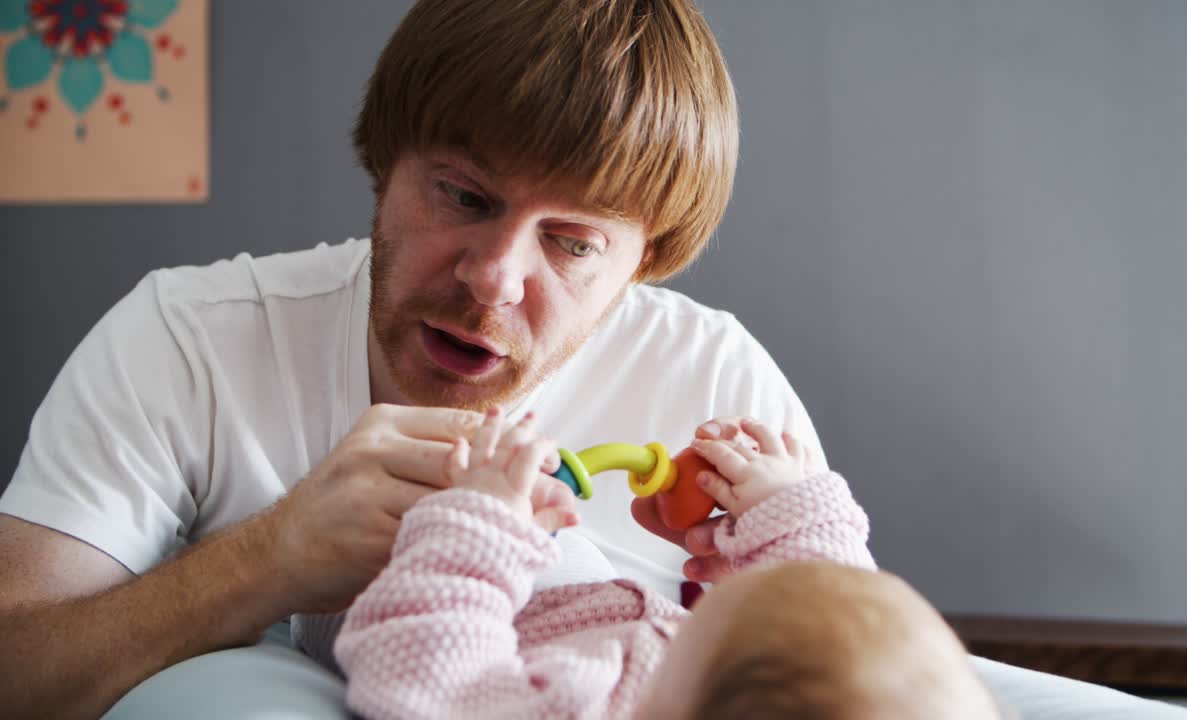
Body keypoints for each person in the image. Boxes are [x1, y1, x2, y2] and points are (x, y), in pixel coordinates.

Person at [0, 1, 829, 717]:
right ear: (385, 161)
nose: (493, 278)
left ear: (643, 262)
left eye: (572, 243)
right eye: (463, 197)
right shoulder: (189, 338)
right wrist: (269, 559)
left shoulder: (715, 382)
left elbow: (862, 669)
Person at [334, 409, 1002, 719]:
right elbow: (836, 623)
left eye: (708, 620)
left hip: (470, 605)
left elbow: (424, 677)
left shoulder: (582, 710)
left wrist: (479, 521)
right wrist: (789, 506)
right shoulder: (710, 686)